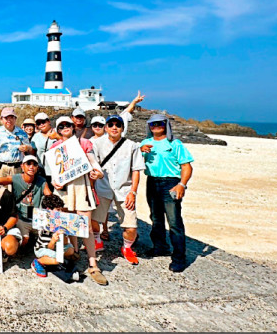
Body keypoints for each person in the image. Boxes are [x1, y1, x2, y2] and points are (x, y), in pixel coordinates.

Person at [44, 116, 107, 286]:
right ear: (57, 130)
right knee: (67, 224)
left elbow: (94, 163)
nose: (65, 127)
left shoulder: (84, 143)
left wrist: (98, 173)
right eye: (61, 126)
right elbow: (53, 173)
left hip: (81, 188)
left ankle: (93, 264)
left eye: (68, 125)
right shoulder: (55, 147)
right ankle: (73, 254)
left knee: (84, 227)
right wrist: (55, 182)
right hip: (64, 190)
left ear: (73, 127)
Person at [139, 114, 194, 273]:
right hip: (152, 182)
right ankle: (160, 247)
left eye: (159, 123)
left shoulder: (175, 143)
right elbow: (135, 162)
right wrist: (139, 151)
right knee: (155, 218)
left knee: (174, 221)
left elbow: (186, 166)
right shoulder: (145, 143)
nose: (156, 126)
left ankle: (179, 258)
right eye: (152, 124)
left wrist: (181, 185)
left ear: (166, 125)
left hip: (170, 183)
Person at [90, 114, 145, 265]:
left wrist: (133, 192)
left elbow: (136, 170)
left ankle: (126, 247)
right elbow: (92, 163)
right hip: (103, 187)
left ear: (122, 128)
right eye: (111, 124)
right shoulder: (97, 144)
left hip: (124, 189)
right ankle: (97, 240)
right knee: (94, 219)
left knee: (131, 226)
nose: (114, 127)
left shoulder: (132, 146)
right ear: (106, 127)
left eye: (118, 125)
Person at [0, 156, 46, 248]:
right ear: (22, 166)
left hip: (37, 218)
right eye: (28, 164)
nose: (31, 167)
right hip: (21, 217)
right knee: (24, 242)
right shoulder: (16, 178)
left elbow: (50, 197)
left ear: (38, 167)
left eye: (35, 164)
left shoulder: (42, 181)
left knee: (48, 242)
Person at [31, 194, 77, 280]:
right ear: (49, 210)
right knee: (58, 259)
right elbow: (49, 247)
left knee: (71, 250)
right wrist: (53, 240)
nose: (61, 212)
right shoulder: (45, 226)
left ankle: (52, 260)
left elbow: (66, 243)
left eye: (61, 210)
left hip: (56, 247)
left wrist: (64, 235)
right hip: (42, 248)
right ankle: (39, 261)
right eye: (58, 210)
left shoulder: (60, 222)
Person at [0, 107, 34, 183]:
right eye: (6, 118)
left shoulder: (22, 133)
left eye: (11, 117)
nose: (9, 120)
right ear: (1, 120)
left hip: (17, 169)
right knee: (0, 193)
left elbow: (30, 149)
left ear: (15, 119)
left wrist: (27, 147)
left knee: (16, 193)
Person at [31, 112, 59, 183]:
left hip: (57, 170)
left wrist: (57, 137)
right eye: (38, 123)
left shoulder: (58, 132)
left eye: (43, 122)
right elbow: (33, 152)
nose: (41, 124)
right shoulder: (35, 137)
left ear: (48, 121)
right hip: (41, 171)